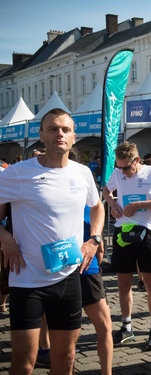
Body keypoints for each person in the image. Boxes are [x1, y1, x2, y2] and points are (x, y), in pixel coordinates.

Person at [0, 108, 104, 375]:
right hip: (27, 280)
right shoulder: (18, 173)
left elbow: (97, 207)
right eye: (53, 129)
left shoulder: (82, 173)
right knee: (24, 363)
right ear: (41, 136)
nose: (60, 134)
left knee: (66, 357)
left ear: (73, 137)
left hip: (68, 278)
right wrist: (4, 237)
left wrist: (94, 238)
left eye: (65, 129)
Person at [103, 142, 151, 351]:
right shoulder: (117, 172)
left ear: (137, 160)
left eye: (126, 168)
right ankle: (127, 326)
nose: (122, 172)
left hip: (147, 233)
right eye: (119, 168)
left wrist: (140, 205)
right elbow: (106, 190)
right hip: (123, 233)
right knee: (123, 283)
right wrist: (113, 205)